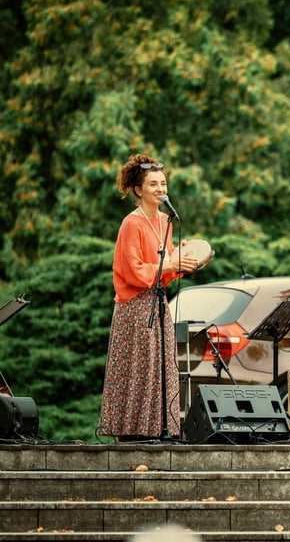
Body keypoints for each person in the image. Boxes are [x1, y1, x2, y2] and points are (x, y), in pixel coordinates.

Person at [98, 154, 201, 442]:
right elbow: (133, 271)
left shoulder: (166, 221)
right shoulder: (132, 223)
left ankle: (159, 428)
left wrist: (182, 264)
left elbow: (163, 271)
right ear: (138, 189)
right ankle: (133, 431)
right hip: (134, 308)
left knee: (162, 366)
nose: (160, 189)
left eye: (163, 183)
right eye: (153, 184)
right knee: (139, 368)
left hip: (158, 303)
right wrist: (169, 265)